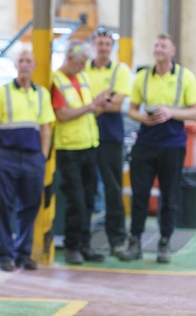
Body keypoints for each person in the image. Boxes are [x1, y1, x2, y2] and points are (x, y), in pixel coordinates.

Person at [121, 33, 196, 263]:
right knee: (140, 195)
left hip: (172, 145)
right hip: (145, 144)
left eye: (163, 46)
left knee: (169, 196)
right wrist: (142, 117)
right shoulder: (142, 77)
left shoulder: (185, 77)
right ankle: (135, 242)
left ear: (172, 51)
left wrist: (171, 112)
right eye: (156, 46)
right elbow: (132, 110)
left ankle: (164, 243)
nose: (158, 49)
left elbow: (194, 111)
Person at [0, 49, 55, 271]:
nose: (24, 64)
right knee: (2, 205)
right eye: (21, 61)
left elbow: (45, 128)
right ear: (15, 65)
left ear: (34, 65)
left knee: (31, 205)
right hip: (6, 156)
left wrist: (42, 156)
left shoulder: (42, 94)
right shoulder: (2, 93)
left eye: (28, 61)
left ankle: (23, 253)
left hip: (33, 158)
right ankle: (5, 254)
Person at [51, 40, 110, 265]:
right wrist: (90, 107)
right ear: (69, 58)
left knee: (88, 199)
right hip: (69, 150)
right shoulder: (57, 81)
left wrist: (98, 105)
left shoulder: (82, 78)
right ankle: (72, 246)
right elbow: (62, 115)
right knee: (75, 201)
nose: (84, 66)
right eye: (81, 62)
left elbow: (87, 111)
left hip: (89, 146)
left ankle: (85, 245)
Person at [84, 28, 132, 258]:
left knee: (113, 189)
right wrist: (101, 101)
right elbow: (81, 102)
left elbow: (116, 105)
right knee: (87, 189)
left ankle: (117, 241)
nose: (103, 48)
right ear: (93, 46)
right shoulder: (83, 69)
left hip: (110, 138)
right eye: (100, 43)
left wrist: (92, 105)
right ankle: (84, 242)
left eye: (107, 44)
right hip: (84, 137)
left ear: (112, 48)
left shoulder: (120, 70)